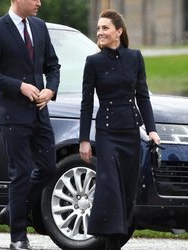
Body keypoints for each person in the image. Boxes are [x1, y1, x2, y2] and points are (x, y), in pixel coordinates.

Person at [0, 0, 60, 249]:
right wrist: (19, 86)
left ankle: (13, 211)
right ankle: (18, 238)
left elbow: (53, 66)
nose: (39, 2)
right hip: (12, 115)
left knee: (47, 168)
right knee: (21, 173)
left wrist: (50, 90)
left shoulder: (39, 26)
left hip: (39, 113)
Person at [79, 9, 160, 250]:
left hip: (130, 133)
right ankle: (110, 244)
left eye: (105, 28)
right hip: (106, 134)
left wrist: (152, 130)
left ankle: (113, 242)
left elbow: (142, 97)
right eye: (98, 28)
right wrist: (84, 139)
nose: (100, 32)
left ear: (119, 32)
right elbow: (86, 103)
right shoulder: (93, 62)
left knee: (125, 192)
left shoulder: (135, 57)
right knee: (110, 190)